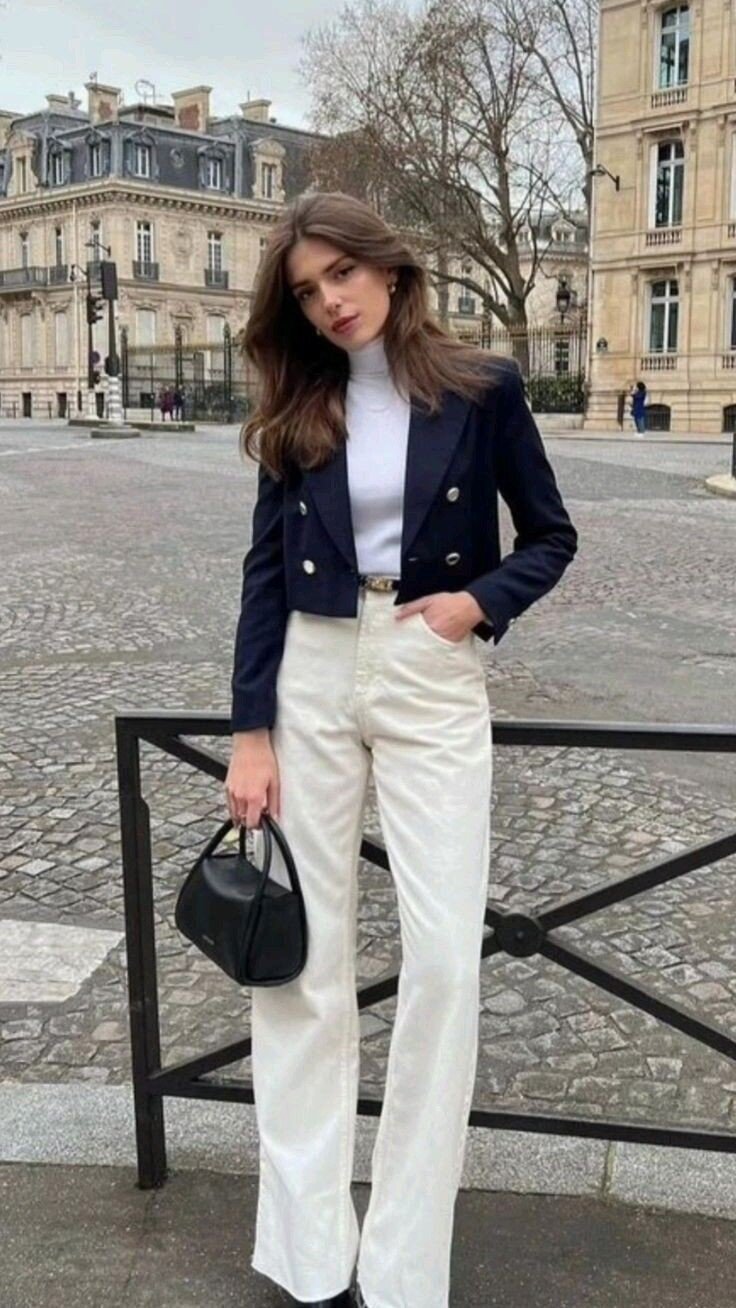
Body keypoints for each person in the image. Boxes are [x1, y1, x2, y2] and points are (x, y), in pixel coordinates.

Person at [225, 191, 578, 1308]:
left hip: (431, 667)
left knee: (443, 964)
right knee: (302, 969)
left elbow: (552, 535)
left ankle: (404, 1265)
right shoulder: (301, 404)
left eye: (342, 273)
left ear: (387, 268)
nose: (330, 302)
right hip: (313, 670)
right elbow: (265, 572)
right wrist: (250, 732)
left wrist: (479, 602)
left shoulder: (482, 388)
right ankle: (307, 1253)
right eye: (306, 291)